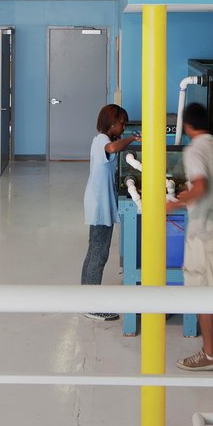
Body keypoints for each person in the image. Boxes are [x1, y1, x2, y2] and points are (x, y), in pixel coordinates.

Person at [168, 102, 213, 370]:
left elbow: (201, 185)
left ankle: (209, 355)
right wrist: (196, 194)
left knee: (204, 290)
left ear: (186, 125)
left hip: (204, 229)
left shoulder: (195, 150)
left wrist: (175, 203)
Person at [81, 103, 138, 321]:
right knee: (98, 253)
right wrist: (132, 139)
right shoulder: (102, 141)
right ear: (111, 123)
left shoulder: (106, 140)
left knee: (94, 250)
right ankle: (92, 305)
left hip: (100, 201)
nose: (123, 127)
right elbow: (113, 149)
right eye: (122, 123)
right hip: (99, 203)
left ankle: (85, 297)